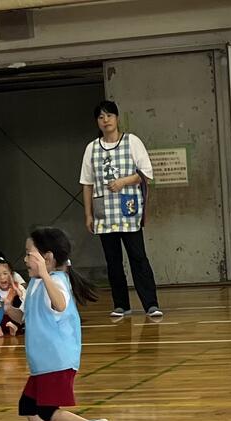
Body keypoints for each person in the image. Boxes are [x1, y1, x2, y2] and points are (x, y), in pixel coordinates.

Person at [2, 227, 108, 421]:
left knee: (45, 410)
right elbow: (25, 317)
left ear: (47, 258)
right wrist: (6, 308)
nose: (25, 259)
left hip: (57, 360)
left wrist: (45, 275)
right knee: (28, 405)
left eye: (29, 254)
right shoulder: (35, 284)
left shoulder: (57, 282)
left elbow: (59, 304)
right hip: (43, 362)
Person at [79, 101, 162, 319]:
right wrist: (88, 214)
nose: (105, 120)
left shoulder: (132, 141)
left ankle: (151, 304)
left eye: (109, 115)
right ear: (97, 122)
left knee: (138, 257)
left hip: (129, 210)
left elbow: (146, 173)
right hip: (104, 213)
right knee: (113, 261)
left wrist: (124, 181)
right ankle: (121, 305)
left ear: (117, 118)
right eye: (101, 117)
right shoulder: (91, 148)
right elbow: (87, 183)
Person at [0, 258, 24, 338]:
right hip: (0, 320)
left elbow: (24, 301)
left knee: (18, 299)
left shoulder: (17, 287)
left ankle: (15, 327)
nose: (2, 277)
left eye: (5, 273)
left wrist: (16, 289)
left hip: (14, 319)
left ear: (11, 275)